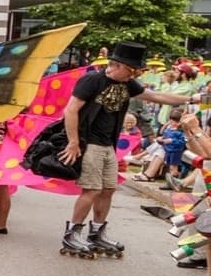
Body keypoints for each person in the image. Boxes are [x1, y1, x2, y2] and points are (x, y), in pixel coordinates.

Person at [59, 42, 192, 258]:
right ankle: (72, 233)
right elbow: (71, 110)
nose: (134, 75)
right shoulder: (92, 80)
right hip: (89, 142)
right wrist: (73, 142)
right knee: (91, 190)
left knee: (108, 189)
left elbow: (157, 97)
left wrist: (193, 99)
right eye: (132, 70)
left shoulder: (127, 84)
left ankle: (96, 232)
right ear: (118, 65)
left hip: (108, 144)